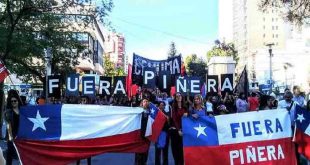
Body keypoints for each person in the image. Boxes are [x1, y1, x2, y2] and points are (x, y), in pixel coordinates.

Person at [5, 89, 23, 165]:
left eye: (15, 101)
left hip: (21, 135)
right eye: (12, 101)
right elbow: (8, 125)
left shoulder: (23, 110)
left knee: (21, 153)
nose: (13, 102)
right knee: (10, 152)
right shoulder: (8, 112)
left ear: (18, 101)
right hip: (12, 134)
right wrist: (10, 137)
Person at [170, 92, 188, 165]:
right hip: (175, 132)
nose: (178, 97)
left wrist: (189, 114)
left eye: (179, 96)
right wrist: (178, 130)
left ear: (182, 97)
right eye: (177, 96)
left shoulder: (185, 107)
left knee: (182, 152)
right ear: (175, 98)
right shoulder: (174, 107)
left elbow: (188, 118)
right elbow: (174, 120)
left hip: (184, 132)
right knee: (176, 151)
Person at [135, 98, 151, 165]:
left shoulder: (151, 111)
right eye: (144, 101)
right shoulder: (138, 111)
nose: (146, 103)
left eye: (147, 101)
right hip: (139, 134)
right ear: (142, 103)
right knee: (138, 152)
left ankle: (144, 163)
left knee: (145, 151)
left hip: (147, 135)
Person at [77, 95, 91, 165]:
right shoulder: (78, 108)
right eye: (82, 100)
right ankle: (78, 163)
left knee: (88, 150)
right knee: (79, 150)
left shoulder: (90, 108)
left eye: (85, 100)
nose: (83, 101)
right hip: (80, 132)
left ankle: (89, 163)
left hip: (88, 132)